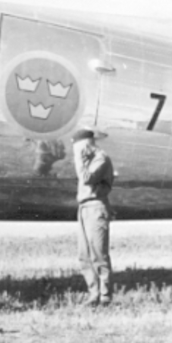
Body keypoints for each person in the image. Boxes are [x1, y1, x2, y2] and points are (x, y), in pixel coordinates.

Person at [71, 127, 115, 307]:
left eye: (79, 147)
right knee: (84, 255)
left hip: (96, 207)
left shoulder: (101, 158)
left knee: (98, 253)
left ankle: (105, 296)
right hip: (84, 208)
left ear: (87, 144)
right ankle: (93, 293)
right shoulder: (89, 159)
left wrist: (78, 157)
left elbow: (86, 178)